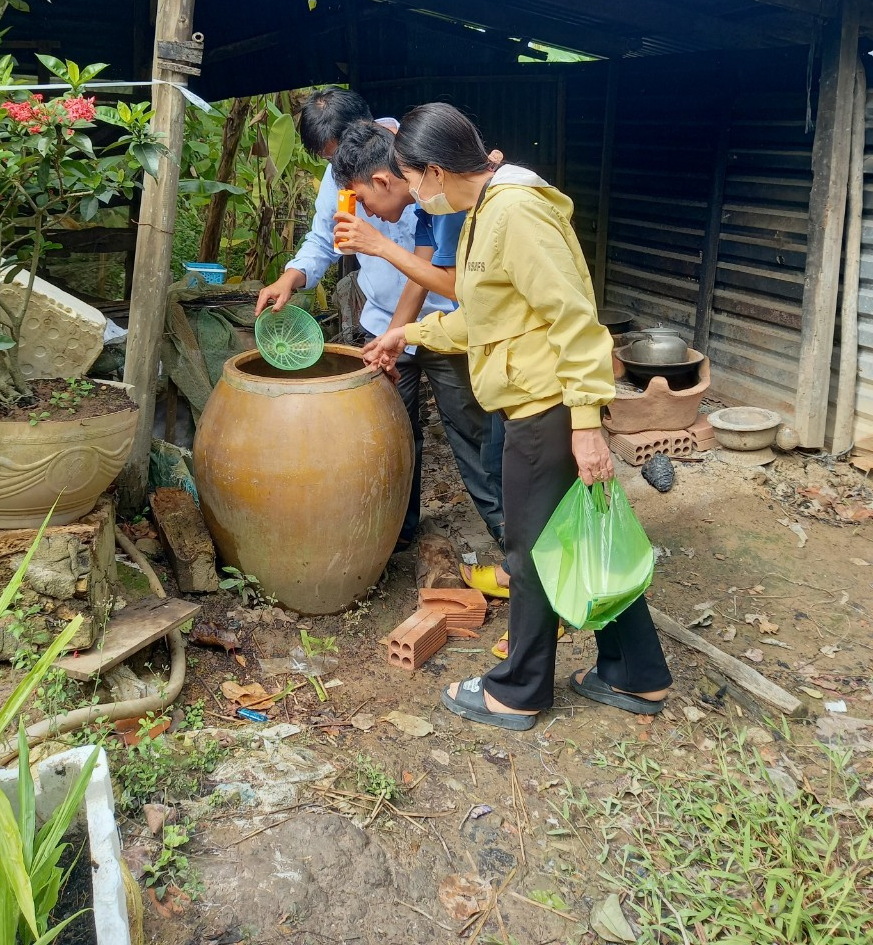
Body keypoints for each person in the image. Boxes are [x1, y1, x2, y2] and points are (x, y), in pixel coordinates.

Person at [363, 103, 672, 731]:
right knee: (577, 540)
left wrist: (586, 423)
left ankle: (520, 691)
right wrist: (412, 333)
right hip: (539, 401)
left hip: (547, 408)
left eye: (414, 180)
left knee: (529, 554)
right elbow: (489, 318)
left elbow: (575, 318)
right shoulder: (483, 211)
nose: (417, 196)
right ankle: (636, 672)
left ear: (438, 172)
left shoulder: (516, 212)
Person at [256, 88, 503, 549]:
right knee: (392, 433)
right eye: (330, 163)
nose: (352, 197)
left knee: (472, 430)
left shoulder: (425, 172)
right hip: (387, 321)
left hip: (447, 323)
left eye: (359, 191)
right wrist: (294, 275)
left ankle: (512, 538)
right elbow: (323, 237)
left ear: (367, 133)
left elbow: (437, 273)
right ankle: (397, 534)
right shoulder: (348, 170)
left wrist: (399, 328)